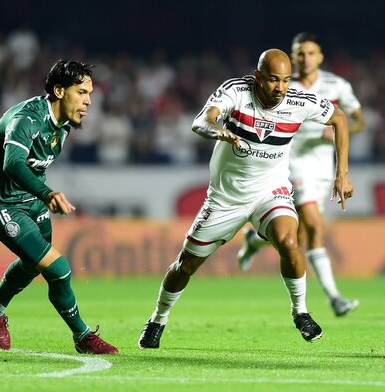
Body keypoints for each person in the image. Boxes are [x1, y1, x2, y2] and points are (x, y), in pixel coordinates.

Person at [138, 48, 353, 349]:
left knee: (289, 242)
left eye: (286, 80)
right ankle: (157, 320)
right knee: (185, 265)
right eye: (273, 80)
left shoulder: (297, 102)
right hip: (227, 198)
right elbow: (200, 121)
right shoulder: (235, 92)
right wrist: (217, 131)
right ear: (257, 77)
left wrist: (341, 172)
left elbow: (340, 119)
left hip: (271, 189)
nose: (280, 88)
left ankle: (300, 312)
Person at [0, 60, 118, 355]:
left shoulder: (64, 122)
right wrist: (47, 193)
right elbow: (12, 163)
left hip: (31, 199)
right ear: (59, 91)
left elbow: (35, 162)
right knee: (59, 268)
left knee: (34, 263)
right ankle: (83, 336)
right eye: (82, 92)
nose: (89, 100)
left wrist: (40, 194)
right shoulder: (26, 119)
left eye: (90, 93)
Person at [237, 32, 367, 317]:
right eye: (299, 53)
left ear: (320, 57)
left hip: (322, 169)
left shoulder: (337, 85)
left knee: (298, 234)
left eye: (311, 53)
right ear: (292, 57)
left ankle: (254, 240)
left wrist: (331, 130)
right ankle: (335, 299)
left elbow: (358, 120)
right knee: (314, 225)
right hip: (290, 166)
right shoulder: (282, 85)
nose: (305, 58)